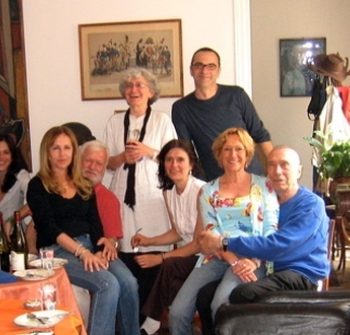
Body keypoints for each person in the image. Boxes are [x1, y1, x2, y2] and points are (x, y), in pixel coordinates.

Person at [26, 126, 139, 335]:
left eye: (67, 148)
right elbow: (49, 228)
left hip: (89, 245)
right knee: (107, 284)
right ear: (47, 152)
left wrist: (98, 250)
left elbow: (95, 223)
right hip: (57, 251)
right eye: (56, 148)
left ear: (73, 151)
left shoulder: (83, 183)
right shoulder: (37, 185)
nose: (62, 154)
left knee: (129, 282)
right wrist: (82, 252)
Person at [167, 127, 279, 335]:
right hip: (217, 256)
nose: (233, 155)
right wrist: (234, 261)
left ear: (247, 154)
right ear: (219, 154)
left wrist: (253, 261)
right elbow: (210, 232)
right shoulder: (208, 190)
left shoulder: (265, 186)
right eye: (227, 149)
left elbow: (270, 230)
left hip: (254, 257)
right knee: (177, 312)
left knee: (220, 305)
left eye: (238, 149)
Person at [198, 145, 330, 302]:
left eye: (284, 165)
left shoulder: (311, 205)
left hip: (300, 274)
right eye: (272, 165)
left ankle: (236, 327)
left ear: (299, 171)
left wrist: (223, 242)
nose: (277, 171)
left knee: (242, 295)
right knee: (205, 296)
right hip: (270, 269)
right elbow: (256, 236)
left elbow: (278, 245)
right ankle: (217, 328)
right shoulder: (268, 202)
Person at [103, 67, 177, 320]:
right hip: (122, 197)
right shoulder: (114, 122)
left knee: (151, 257)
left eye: (140, 85)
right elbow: (108, 164)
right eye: (130, 85)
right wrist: (124, 156)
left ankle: (151, 320)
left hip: (152, 199)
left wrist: (148, 151)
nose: (134, 90)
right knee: (124, 256)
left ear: (152, 92)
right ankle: (128, 319)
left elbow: (173, 160)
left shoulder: (161, 120)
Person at [131, 139, 206, 335]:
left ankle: (153, 319)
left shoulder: (202, 191)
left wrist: (161, 257)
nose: (174, 165)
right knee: (172, 282)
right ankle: (177, 324)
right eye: (169, 160)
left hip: (206, 257)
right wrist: (149, 240)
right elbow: (178, 232)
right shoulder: (169, 192)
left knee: (168, 265)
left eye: (180, 160)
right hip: (187, 257)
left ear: (191, 164)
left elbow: (198, 244)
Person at [172, 47, 273, 181]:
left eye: (211, 66)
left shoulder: (237, 95)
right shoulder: (181, 108)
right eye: (199, 65)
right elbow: (186, 152)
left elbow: (259, 134)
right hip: (214, 182)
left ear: (219, 71)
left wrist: (275, 168)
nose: (204, 70)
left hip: (251, 177)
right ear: (191, 70)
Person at [80, 140, 123, 251]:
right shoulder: (63, 190)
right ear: (78, 161)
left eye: (99, 163)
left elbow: (113, 241)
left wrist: (111, 244)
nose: (92, 167)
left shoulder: (109, 200)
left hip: (100, 252)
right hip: (69, 252)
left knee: (123, 270)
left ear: (105, 168)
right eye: (88, 160)